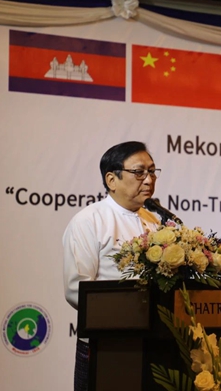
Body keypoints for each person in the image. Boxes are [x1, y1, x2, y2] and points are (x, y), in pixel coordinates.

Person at [62, 141, 162, 391]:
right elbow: (77, 289)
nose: (148, 179)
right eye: (139, 172)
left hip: (152, 340)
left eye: (152, 171)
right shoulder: (89, 221)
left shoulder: (154, 221)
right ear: (111, 179)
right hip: (107, 344)